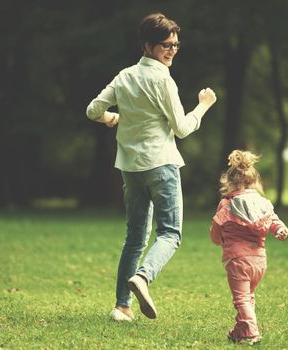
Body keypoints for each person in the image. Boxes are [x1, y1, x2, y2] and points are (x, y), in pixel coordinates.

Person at [86, 13, 217, 321]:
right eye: (165, 45)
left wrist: (111, 118)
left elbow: (93, 110)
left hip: (131, 168)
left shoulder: (125, 76)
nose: (171, 50)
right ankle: (143, 278)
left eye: (175, 44)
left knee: (134, 237)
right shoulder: (163, 80)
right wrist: (204, 105)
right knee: (170, 233)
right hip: (161, 165)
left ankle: (121, 307)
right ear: (148, 45)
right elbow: (182, 128)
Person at [210, 150, 288, 345]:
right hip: (259, 262)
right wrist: (280, 229)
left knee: (242, 299)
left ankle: (251, 332)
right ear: (255, 183)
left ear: (228, 183)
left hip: (237, 260)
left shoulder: (227, 204)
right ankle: (239, 330)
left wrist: (219, 239)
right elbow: (274, 221)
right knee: (248, 296)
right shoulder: (263, 205)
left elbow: (216, 230)